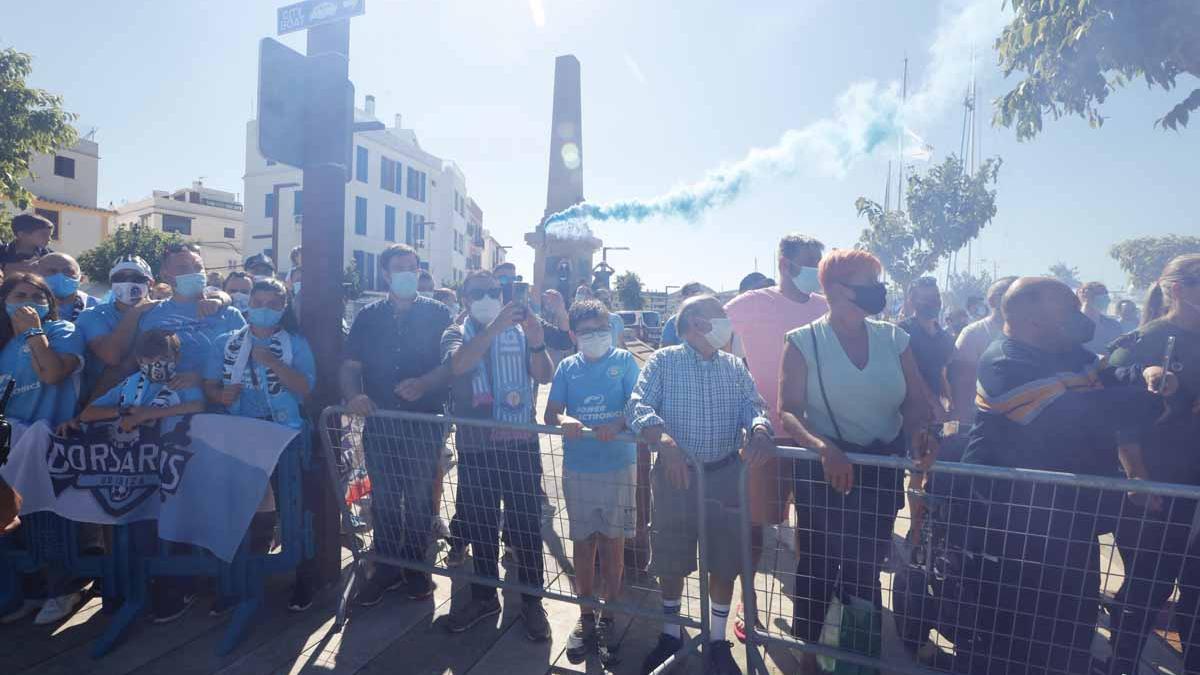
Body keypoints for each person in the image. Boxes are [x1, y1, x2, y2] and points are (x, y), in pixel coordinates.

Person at [962, 277, 1170, 675]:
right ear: (1032, 321)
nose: (1080, 319)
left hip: (1070, 519)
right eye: (1069, 312)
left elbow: (1110, 380)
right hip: (1014, 529)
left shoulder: (1069, 354)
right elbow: (1081, 417)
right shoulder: (1003, 361)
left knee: (1074, 622)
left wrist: (1148, 374)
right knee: (1019, 635)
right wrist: (1139, 403)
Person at [777, 249, 938, 674]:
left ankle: (857, 653)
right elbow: (788, 410)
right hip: (823, 468)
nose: (878, 291)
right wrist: (824, 449)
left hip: (880, 469)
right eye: (868, 283)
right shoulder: (802, 341)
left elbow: (916, 401)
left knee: (867, 563)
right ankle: (810, 653)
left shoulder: (894, 339)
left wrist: (919, 429)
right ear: (834, 290)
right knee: (818, 563)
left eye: (878, 281)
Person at [628, 294, 776, 675]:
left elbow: (753, 404)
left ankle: (716, 640)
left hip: (726, 476)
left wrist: (759, 428)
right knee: (672, 556)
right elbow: (638, 405)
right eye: (720, 315)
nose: (727, 321)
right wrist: (663, 439)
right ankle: (671, 634)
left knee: (725, 560)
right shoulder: (665, 361)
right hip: (676, 477)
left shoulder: (733, 366)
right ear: (696, 322)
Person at [723, 233, 828, 641]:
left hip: (813, 439)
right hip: (763, 437)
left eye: (820, 263)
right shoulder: (753, 304)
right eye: (809, 262)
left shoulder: (825, 307)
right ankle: (747, 608)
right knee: (753, 529)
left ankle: (808, 620)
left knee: (811, 534)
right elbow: (700, 331)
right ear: (784, 263)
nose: (816, 271)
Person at [440, 270, 553, 640]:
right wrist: (493, 329)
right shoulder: (456, 331)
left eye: (494, 291)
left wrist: (536, 342)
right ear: (465, 298)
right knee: (481, 525)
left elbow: (544, 374)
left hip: (520, 442)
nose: (488, 297)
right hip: (477, 445)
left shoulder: (520, 332)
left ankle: (533, 602)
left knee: (524, 525)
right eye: (479, 292)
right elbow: (458, 365)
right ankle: (485, 596)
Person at [341, 244, 451, 607]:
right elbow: (350, 366)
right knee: (385, 497)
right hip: (380, 422)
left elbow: (451, 364)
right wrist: (353, 396)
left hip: (424, 423)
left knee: (420, 497)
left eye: (413, 267)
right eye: (400, 268)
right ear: (385, 274)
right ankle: (386, 567)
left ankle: (417, 567)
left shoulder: (439, 313)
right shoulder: (367, 316)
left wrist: (425, 383)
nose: (408, 273)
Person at [1106, 255, 1200, 675]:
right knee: (1151, 584)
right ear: (1178, 289)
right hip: (1158, 487)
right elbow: (1122, 419)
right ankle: (1121, 663)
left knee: (1196, 587)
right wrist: (1139, 479)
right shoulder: (1147, 338)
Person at [545, 300, 640, 664]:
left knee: (613, 545)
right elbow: (551, 412)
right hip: (579, 468)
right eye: (587, 331)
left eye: (602, 328)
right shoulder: (568, 367)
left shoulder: (625, 362)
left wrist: (618, 424)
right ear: (573, 335)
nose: (596, 336)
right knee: (583, 544)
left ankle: (609, 616)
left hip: (618, 465)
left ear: (612, 328)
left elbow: (638, 403)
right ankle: (585, 617)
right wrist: (565, 419)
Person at [0, 272, 86, 625]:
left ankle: (63, 587)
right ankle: (25, 591)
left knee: (46, 518)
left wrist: (35, 333)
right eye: (19, 295)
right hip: (8, 442)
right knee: (11, 523)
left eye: (39, 297)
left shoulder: (61, 332)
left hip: (48, 441)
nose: (28, 302)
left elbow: (52, 374)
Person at [138, 243, 245, 387]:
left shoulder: (230, 314)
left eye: (198, 268)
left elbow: (248, 363)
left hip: (218, 404)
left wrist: (205, 379)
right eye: (183, 268)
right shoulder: (152, 316)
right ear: (165, 275)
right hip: (166, 403)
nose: (194, 273)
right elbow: (143, 362)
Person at [76, 257, 160, 403]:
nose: (128, 282)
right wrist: (135, 312)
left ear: (150, 283)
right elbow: (112, 356)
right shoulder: (92, 315)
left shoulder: (162, 312)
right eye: (119, 277)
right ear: (112, 283)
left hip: (152, 400)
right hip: (104, 403)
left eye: (137, 277)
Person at [948, 277, 1018, 425]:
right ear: (993, 301)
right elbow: (962, 387)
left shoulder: (1032, 332)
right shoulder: (973, 334)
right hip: (984, 423)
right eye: (1013, 294)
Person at [899, 277, 955, 402]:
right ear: (912, 302)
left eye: (937, 297)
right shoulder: (901, 332)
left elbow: (944, 374)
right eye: (927, 299)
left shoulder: (945, 337)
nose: (934, 302)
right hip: (906, 410)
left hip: (936, 415)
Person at [34, 252, 97, 323]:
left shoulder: (97, 307)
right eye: (52, 271)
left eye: (68, 271)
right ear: (35, 276)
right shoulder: (29, 305)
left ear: (81, 279)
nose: (60, 275)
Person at [1078, 281, 1124, 354]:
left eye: (1106, 295)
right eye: (1101, 295)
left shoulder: (1114, 326)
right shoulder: (1072, 323)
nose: (1107, 299)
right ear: (1086, 296)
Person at [659, 282, 707, 348]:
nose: (694, 296)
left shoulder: (711, 321)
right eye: (688, 293)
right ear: (684, 297)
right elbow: (665, 351)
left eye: (697, 292)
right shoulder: (673, 322)